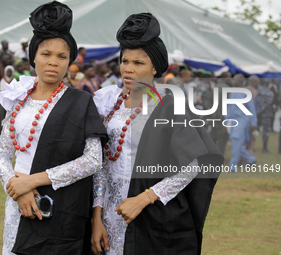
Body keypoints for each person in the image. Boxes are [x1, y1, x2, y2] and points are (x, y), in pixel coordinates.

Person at [91, 13, 223, 255]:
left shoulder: (169, 105)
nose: (128, 69)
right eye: (125, 61)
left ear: (155, 67)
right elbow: (102, 163)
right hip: (110, 209)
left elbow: (192, 164)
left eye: (138, 63)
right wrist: (96, 216)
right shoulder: (111, 104)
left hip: (150, 211)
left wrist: (143, 199)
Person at [0, 2, 108, 254]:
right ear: (33, 56)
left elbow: (92, 160)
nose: (53, 62)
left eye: (62, 56)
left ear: (69, 61)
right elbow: (2, 154)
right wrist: (17, 190)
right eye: (46, 54)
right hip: (17, 202)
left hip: (60, 206)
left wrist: (32, 182)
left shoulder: (80, 102)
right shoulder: (18, 98)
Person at [226, 74, 257, 171]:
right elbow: (229, 108)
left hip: (242, 121)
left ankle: (232, 166)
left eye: (235, 80)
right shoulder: (232, 92)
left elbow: (252, 109)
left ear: (240, 81)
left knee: (236, 140)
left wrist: (253, 123)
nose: (233, 81)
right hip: (232, 122)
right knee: (235, 142)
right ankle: (251, 159)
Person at [0, 65, 14, 136]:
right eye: (8, 71)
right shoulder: (3, 80)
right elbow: (2, 91)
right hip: (4, 102)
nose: (9, 73)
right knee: (1, 117)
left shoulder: (13, 80)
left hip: (12, 102)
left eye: (10, 72)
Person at [257, 79, 275, 153]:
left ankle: (250, 146)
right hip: (266, 114)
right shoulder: (270, 93)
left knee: (254, 130)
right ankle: (264, 148)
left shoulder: (258, 91)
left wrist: (258, 111)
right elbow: (268, 103)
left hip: (257, 114)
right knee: (266, 132)